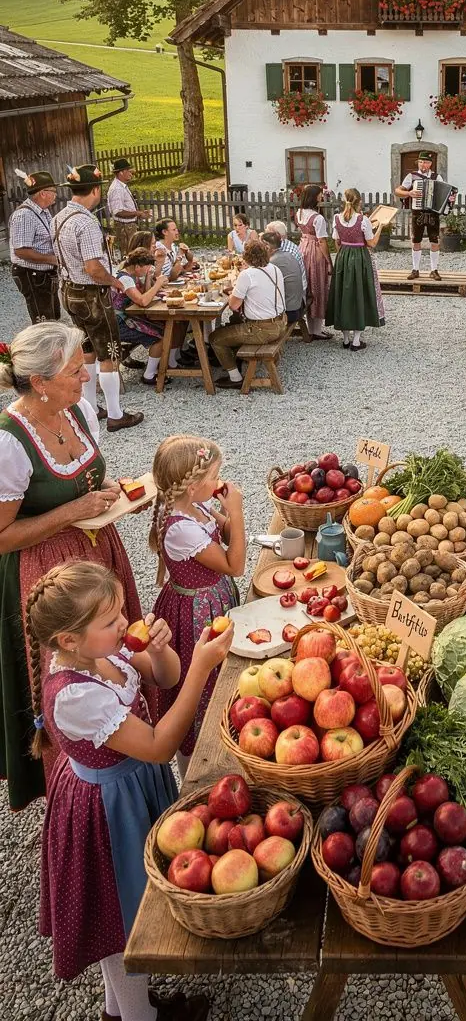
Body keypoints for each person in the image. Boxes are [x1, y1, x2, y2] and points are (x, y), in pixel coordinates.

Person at [29, 558, 227, 1019]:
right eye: (111, 620)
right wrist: (203, 666)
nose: (125, 623)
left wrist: (162, 651)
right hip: (108, 807)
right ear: (68, 640)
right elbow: (159, 746)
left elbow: (166, 676)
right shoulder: (76, 696)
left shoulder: (102, 652)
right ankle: (138, 1015)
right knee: (124, 917)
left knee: (125, 912)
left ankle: (122, 1010)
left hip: (131, 786)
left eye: (121, 613)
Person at [0, 323, 148, 809]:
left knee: (115, 654)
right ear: (39, 381)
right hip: (46, 573)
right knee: (69, 679)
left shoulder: (78, 411)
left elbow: (85, 485)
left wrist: (116, 497)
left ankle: (128, 749)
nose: (87, 374)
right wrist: (69, 513)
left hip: (97, 552)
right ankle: (79, 791)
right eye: (74, 368)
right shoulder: (9, 443)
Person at [149, 437, 244, 775]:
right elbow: (235, 565)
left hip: (212, 598)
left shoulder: (197, 506)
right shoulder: (181, 529)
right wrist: (236, 510)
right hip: (196, 614)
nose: (220, 482)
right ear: (191, 486)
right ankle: (198, 759)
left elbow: (226, 533)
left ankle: (226, 733)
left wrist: (227, 515)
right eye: (215, 476)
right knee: (201, 679)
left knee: (222, 674)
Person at [51, 164, 142, 431]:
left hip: (68, 290)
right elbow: (93, 268)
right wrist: (115, 282)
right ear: (94, 190)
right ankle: (115, 413)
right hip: (91, 294)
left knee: (87, 350)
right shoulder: (87, 222)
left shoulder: (60, 217)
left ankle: (89, 409)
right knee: (110, 352)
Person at [210, 238, 287, 388]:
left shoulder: (248, 275)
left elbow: (233, 305)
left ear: (246, 256)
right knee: (234, 323)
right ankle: (234, 359)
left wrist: (234, 291)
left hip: (262, 330)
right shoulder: (275, 269)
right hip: (280, 323)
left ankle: (235, 378)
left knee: (215, 338)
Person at [326, 188, 382, 350]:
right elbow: (371, 243)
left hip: (343, 256)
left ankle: (345, 339)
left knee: (343, 295)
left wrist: (343, 255)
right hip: (359, 258)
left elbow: (336, 241)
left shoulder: (337, 218)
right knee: (359, 294)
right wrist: (380, 227)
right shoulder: (362, 220)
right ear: (359, 201)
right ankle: (356, 340)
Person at [111, 247, 169, 387]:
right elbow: (143, 301)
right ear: (137, 266)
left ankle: (163, 364)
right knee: (160, 337)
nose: (147, 269)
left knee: (163, 326)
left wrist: (148, 276)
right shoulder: (125, 279)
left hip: (128, 316)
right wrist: (159, 284)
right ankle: (149, 375)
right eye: (146, 267)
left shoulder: (129, 274)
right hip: (119, 322)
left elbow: (145, 294)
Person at [9, 169, 60, 323]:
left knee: (52, 317)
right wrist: (52, 259)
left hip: (42, 273)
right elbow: (21, 251)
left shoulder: (43, 212)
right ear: (43, 193)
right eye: (53, 191)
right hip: (32, 274)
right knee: (43, 321)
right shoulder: (24, 215)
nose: (55, 195)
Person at [396, 151, 443, 279]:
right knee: (416, 240)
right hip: (417, 212)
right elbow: (398, 191)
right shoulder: (411, 176)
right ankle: (415, 269)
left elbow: (444, 193)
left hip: (433, 212)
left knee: (435, 241)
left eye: (426, 162)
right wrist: (409, 193)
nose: (423, 164)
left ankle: (434, 270)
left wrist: (450, 198)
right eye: (421, 162)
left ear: (430, 164)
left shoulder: (437, 177)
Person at [294, 184, 333, 339]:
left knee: (307, 285)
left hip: (302, 247)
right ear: (314, 197)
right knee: (318, 285)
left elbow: (302, 231)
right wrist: (329, 261)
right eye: (319, 195)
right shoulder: (318, 218)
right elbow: (322, 241)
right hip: (315, 251)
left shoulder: (299, 213)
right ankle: (316, 330)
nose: (321, 197)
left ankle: (312, 327)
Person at [107, 158, 150, 257]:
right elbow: (117, 211)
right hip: (124, 228)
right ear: (121, 173)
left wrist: (140, 214)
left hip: (129, 226)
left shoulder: (122, 186)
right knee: (129, 255)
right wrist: (137, 213)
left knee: (134, 254)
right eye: (128, 171)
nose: (131, 173)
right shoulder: (116, 189)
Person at [264, 229, 306, 325]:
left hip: (289, 312)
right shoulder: (286, 255)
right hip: (298, 304)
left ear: (267, 247)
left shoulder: (273, 262)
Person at [264, 219, 308, 294]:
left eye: (268, 235)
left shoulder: (285, 254)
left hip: (292, 294)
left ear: (277, 236)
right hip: (293, 290)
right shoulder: (285, 244)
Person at [154, 216, 197, 280]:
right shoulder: (160, 249)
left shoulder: (173, 246)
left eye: (176, 229)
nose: (177, 232)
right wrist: (180, 256)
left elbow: (182, 270)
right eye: (174, 230)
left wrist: (187, 252)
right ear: (164, 232)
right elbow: (170, 277)